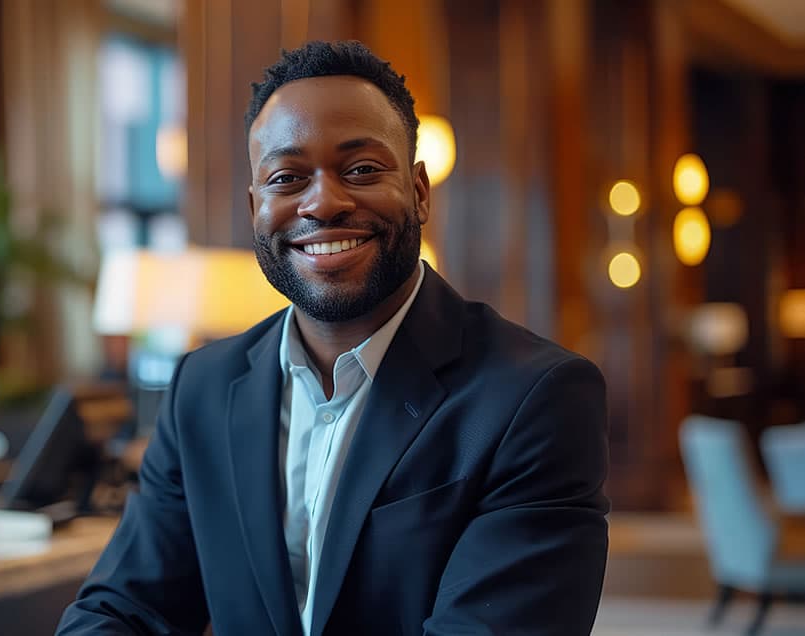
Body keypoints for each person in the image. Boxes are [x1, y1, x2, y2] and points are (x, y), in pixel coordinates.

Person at [56, 40, 609, 636]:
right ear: (255, 206)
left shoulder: (536, 397)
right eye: (287, 178)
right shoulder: (203, 388)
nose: (322, 202)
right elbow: (122, 609)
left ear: (419, 191)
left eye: (362, 169)